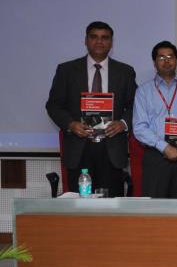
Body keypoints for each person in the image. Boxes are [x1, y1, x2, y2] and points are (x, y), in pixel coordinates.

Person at [46, 21, 137, 196]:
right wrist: (71, 124)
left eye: (105, 38)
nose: (99, 41)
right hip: (79, 149)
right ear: (86, 40)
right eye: (94, 37)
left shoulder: (125, 72)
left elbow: (136, 106)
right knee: (80, 206)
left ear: (111, 42)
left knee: (111, 206)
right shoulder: (67, 70)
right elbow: (53, 105)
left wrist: (123, 123)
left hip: (112, 150)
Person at [132, 41, 177, 198]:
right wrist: (165, 147)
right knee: (155, 207)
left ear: (176, 60)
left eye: (171, 57)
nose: (166, 61)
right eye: (161, 57)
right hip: (156, 157)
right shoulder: (143, 91)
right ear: (154, 62)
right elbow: (139, 127)